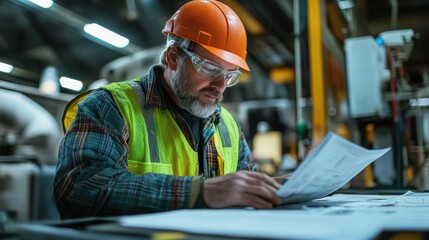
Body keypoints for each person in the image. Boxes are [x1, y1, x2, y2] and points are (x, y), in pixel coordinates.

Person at [53, 0, 281, 219]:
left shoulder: (228, 125)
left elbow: (244, 188)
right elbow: (76, 188)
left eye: (229, 75)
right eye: (210, 68)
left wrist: (279, 188)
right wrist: (199, 193)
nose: (220, 85)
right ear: (173, 58)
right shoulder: (111, 107)